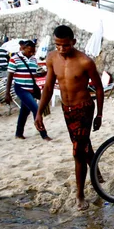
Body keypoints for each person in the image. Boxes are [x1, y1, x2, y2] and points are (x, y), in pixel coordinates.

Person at [35, 25, 104, 211]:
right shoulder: (51, 58)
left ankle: (80, 194)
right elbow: (48, 88)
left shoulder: (85, 61)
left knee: (77, 152)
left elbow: (98, 87)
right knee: (81, 143)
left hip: (84, 108)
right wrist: (39, 112)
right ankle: (96, 169)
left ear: (73, 42)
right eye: (58, 45)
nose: (61, 49)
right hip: (67, 109)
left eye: (65, 45)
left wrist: (99, 114)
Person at [5, 40, 52, 141]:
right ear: (23, 48)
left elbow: (32, 73)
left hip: (31, 87)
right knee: (36, 109)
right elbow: (10, 76)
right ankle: (44, 134)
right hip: (20, 88)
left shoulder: (34, 59)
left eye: (33, 51)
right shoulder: (14, 59)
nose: (31, 53)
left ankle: (19, 133)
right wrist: (7, 93)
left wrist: (41, 74)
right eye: (29, 51)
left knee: (24, 112)